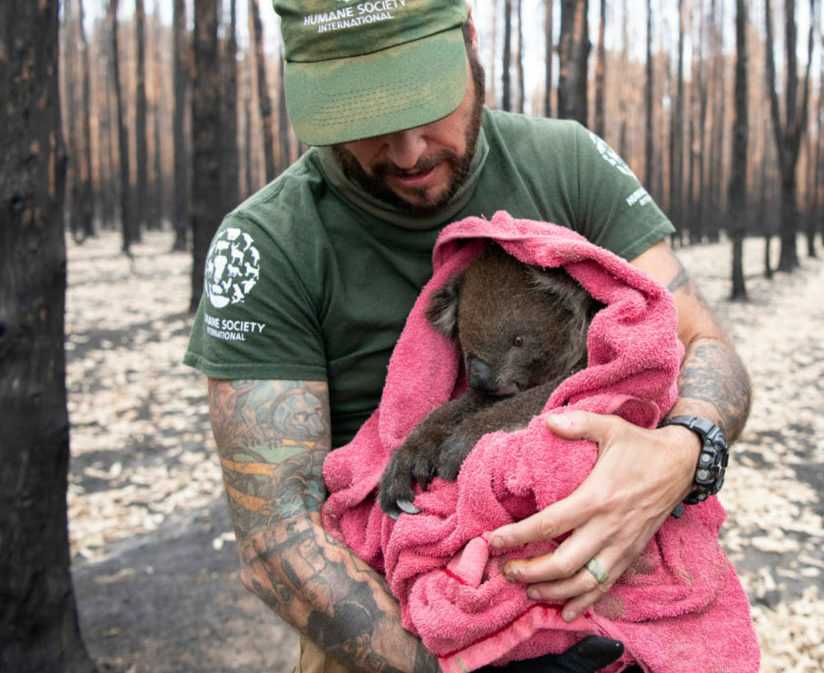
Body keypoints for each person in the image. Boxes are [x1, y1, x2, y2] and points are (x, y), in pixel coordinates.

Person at [184, 1, 752, 672]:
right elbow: (277, 538)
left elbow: (699, 345)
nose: (407, 151)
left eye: (424, 105)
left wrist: (683, 451)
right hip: (390, 631)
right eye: (362, 120)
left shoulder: (565, 163)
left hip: (604, 602)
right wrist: (457, 660)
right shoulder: (271, 244)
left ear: (470, 42)